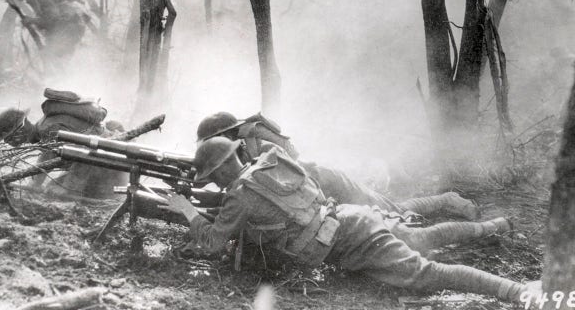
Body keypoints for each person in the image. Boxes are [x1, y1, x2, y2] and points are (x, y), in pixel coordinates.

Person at [160, 137, 531, 302]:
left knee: (424, 275)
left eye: (212, 176)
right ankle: (493, 226)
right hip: (350, 219)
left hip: (349, 240)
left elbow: (210, 243)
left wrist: (187, 210)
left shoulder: (239, 196)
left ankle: (520, 292)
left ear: (222, 171)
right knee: (425, 237)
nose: (215, 182)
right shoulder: (267, 161)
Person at [196, 112, 479, 220]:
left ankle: (448, 200)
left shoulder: (255, 138)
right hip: (316, 194)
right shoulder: (237, 152)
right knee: (385, 212)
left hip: (325, 181)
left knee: (392, 209)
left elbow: (289, 168)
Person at [0, 88, 125, 198]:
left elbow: (82, 155)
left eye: (9, 139)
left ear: (18, 131)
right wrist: (34, 185)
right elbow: (46, 159)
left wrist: (68, 188)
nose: (11, 144)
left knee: (58, 194)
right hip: (103, 162)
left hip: (111, 165)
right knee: (52, 189)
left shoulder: (48, 129)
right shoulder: (44, 129)